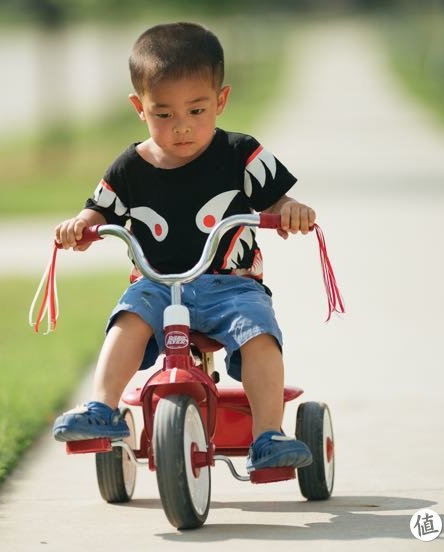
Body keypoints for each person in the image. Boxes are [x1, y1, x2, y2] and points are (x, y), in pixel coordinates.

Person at [52, 22, 315, 472]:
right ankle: (103, 408)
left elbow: (277, 198)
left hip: (231, 286)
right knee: (127, 319)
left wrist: (291, 210)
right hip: (155, 285)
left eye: (196, 111)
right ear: (139, 108)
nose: (182, 128)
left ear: (221, 100)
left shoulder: (240, 153)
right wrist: (82, 227)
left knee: (259, 333)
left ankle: (268, 434)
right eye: (164, 114)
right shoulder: (129, 167)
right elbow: (100, 210)